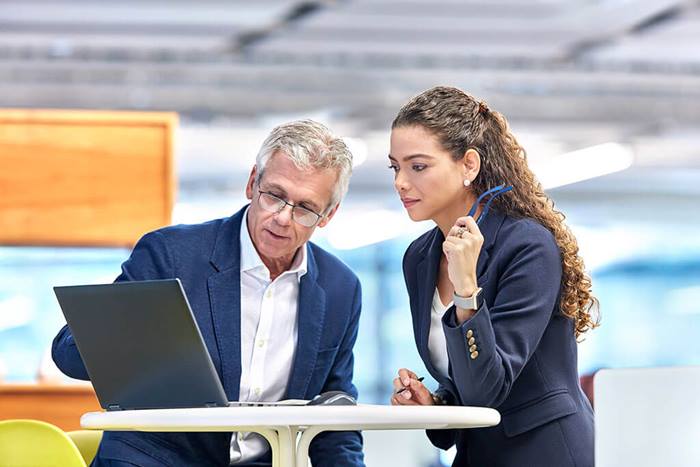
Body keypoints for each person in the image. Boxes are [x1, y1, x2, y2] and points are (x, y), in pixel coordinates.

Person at [52, 120, 365, 467]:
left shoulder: (341, 289)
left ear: (328, 215)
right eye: (275, 195)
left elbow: (333, 415)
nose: (282, 218)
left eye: (305, 208)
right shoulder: (171, 254)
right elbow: (71, 356)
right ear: (252, 183)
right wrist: (135, 339)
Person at [388, 86, 598, 466]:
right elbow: (465, 382)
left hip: (546, 453)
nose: (401, 182)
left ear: (469, 165)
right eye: (395, 167)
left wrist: (467, 292)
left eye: (417, 166)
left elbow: (490, 387)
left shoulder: (528, 246)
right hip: (479, 454)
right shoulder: (419, 258)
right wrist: (435, 403)